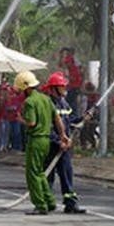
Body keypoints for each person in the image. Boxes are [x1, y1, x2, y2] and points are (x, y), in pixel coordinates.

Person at [15, 70, 70, 215]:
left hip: (36, 140)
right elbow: (57, 119)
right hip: (47, 140)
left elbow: (31, 122)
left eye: (20, 89)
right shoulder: (46, 99)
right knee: (40, 173)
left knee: (32, 174)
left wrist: (21, 120)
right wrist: (63, 134)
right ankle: (50, 202)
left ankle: (40, 205)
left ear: (25, 88)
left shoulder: (29, 102)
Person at [42, 71, 88, 214]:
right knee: (48, 176)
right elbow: (47, 127)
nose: (65, 90)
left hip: (64, 146)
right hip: (51, 146)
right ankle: (46, 202)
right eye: (62, 87)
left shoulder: (64, 103)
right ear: (53, 88)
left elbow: (71, 120)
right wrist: (57, 141)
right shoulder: (47, 104)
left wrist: (83, 118)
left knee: (67, 174)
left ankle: (70, 203)